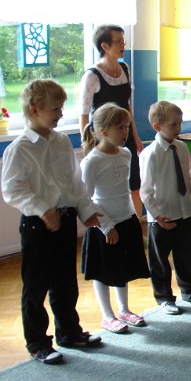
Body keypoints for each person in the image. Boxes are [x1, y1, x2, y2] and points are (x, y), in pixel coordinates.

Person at [1, 80, 102, 364]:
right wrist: (43, 209)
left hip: (65, 220)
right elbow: (12, 190)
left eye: (61, 108)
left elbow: (75, 182)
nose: (60, 114)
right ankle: (37, 342)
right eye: (55, 109)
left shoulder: (61, 142)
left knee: (65, 282)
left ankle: (69, 333)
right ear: (34, 110)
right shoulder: (19, 148)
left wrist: (86, 210)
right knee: (36, 286)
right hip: (37, 225)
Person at [140, 101, 191, 314]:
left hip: (183, 212)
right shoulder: (151, 154)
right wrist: (157, 215)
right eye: (173, 124)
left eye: (180, 123)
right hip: (162, 217)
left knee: (185, 256)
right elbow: (145, 191)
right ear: (157, 126)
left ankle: (190, 291)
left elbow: (189, 180)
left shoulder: (182, 148)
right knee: (159, 260)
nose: (179, 128)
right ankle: (164, 297)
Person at [80, 103, 150, 333]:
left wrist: (133, 219)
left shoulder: (126, 154)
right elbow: (85, 199)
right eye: (120, 128)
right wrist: (107, 226)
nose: (125, 132)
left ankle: (124, 310)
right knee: (102, 272)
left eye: (127, 127)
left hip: (126, 220)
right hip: (103, 226)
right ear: (103, 131)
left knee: (122, 268)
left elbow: (124, 190)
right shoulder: (92, 161)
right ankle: (107, 316)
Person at [79, 25, 144, 220]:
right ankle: (107, 227)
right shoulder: (92, 75)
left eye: (124, 40)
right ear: (105, 46)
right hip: (104, 138)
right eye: (119, 41)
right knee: (106, 187)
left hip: (125, 135)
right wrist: (87, 145)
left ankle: (136, 226)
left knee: (134, 185)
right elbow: (84, 114)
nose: (123, 45)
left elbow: (127, 106)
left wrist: (135, 136)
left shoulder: (125, 69)